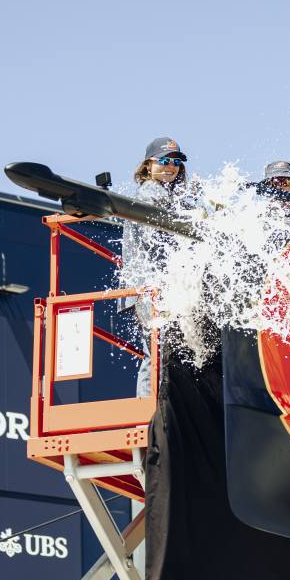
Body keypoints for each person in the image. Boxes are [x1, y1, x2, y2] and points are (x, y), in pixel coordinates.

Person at [123, 137, 191, 398]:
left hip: (156, 285)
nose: (170, 166)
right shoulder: (151, 192)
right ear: (148, 165)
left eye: (176, 162)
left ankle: (156, 403)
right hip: (148, 286)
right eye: (164, 160)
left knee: (160, 350)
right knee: (156, 349)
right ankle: (147, 407)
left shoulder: (169, 195)